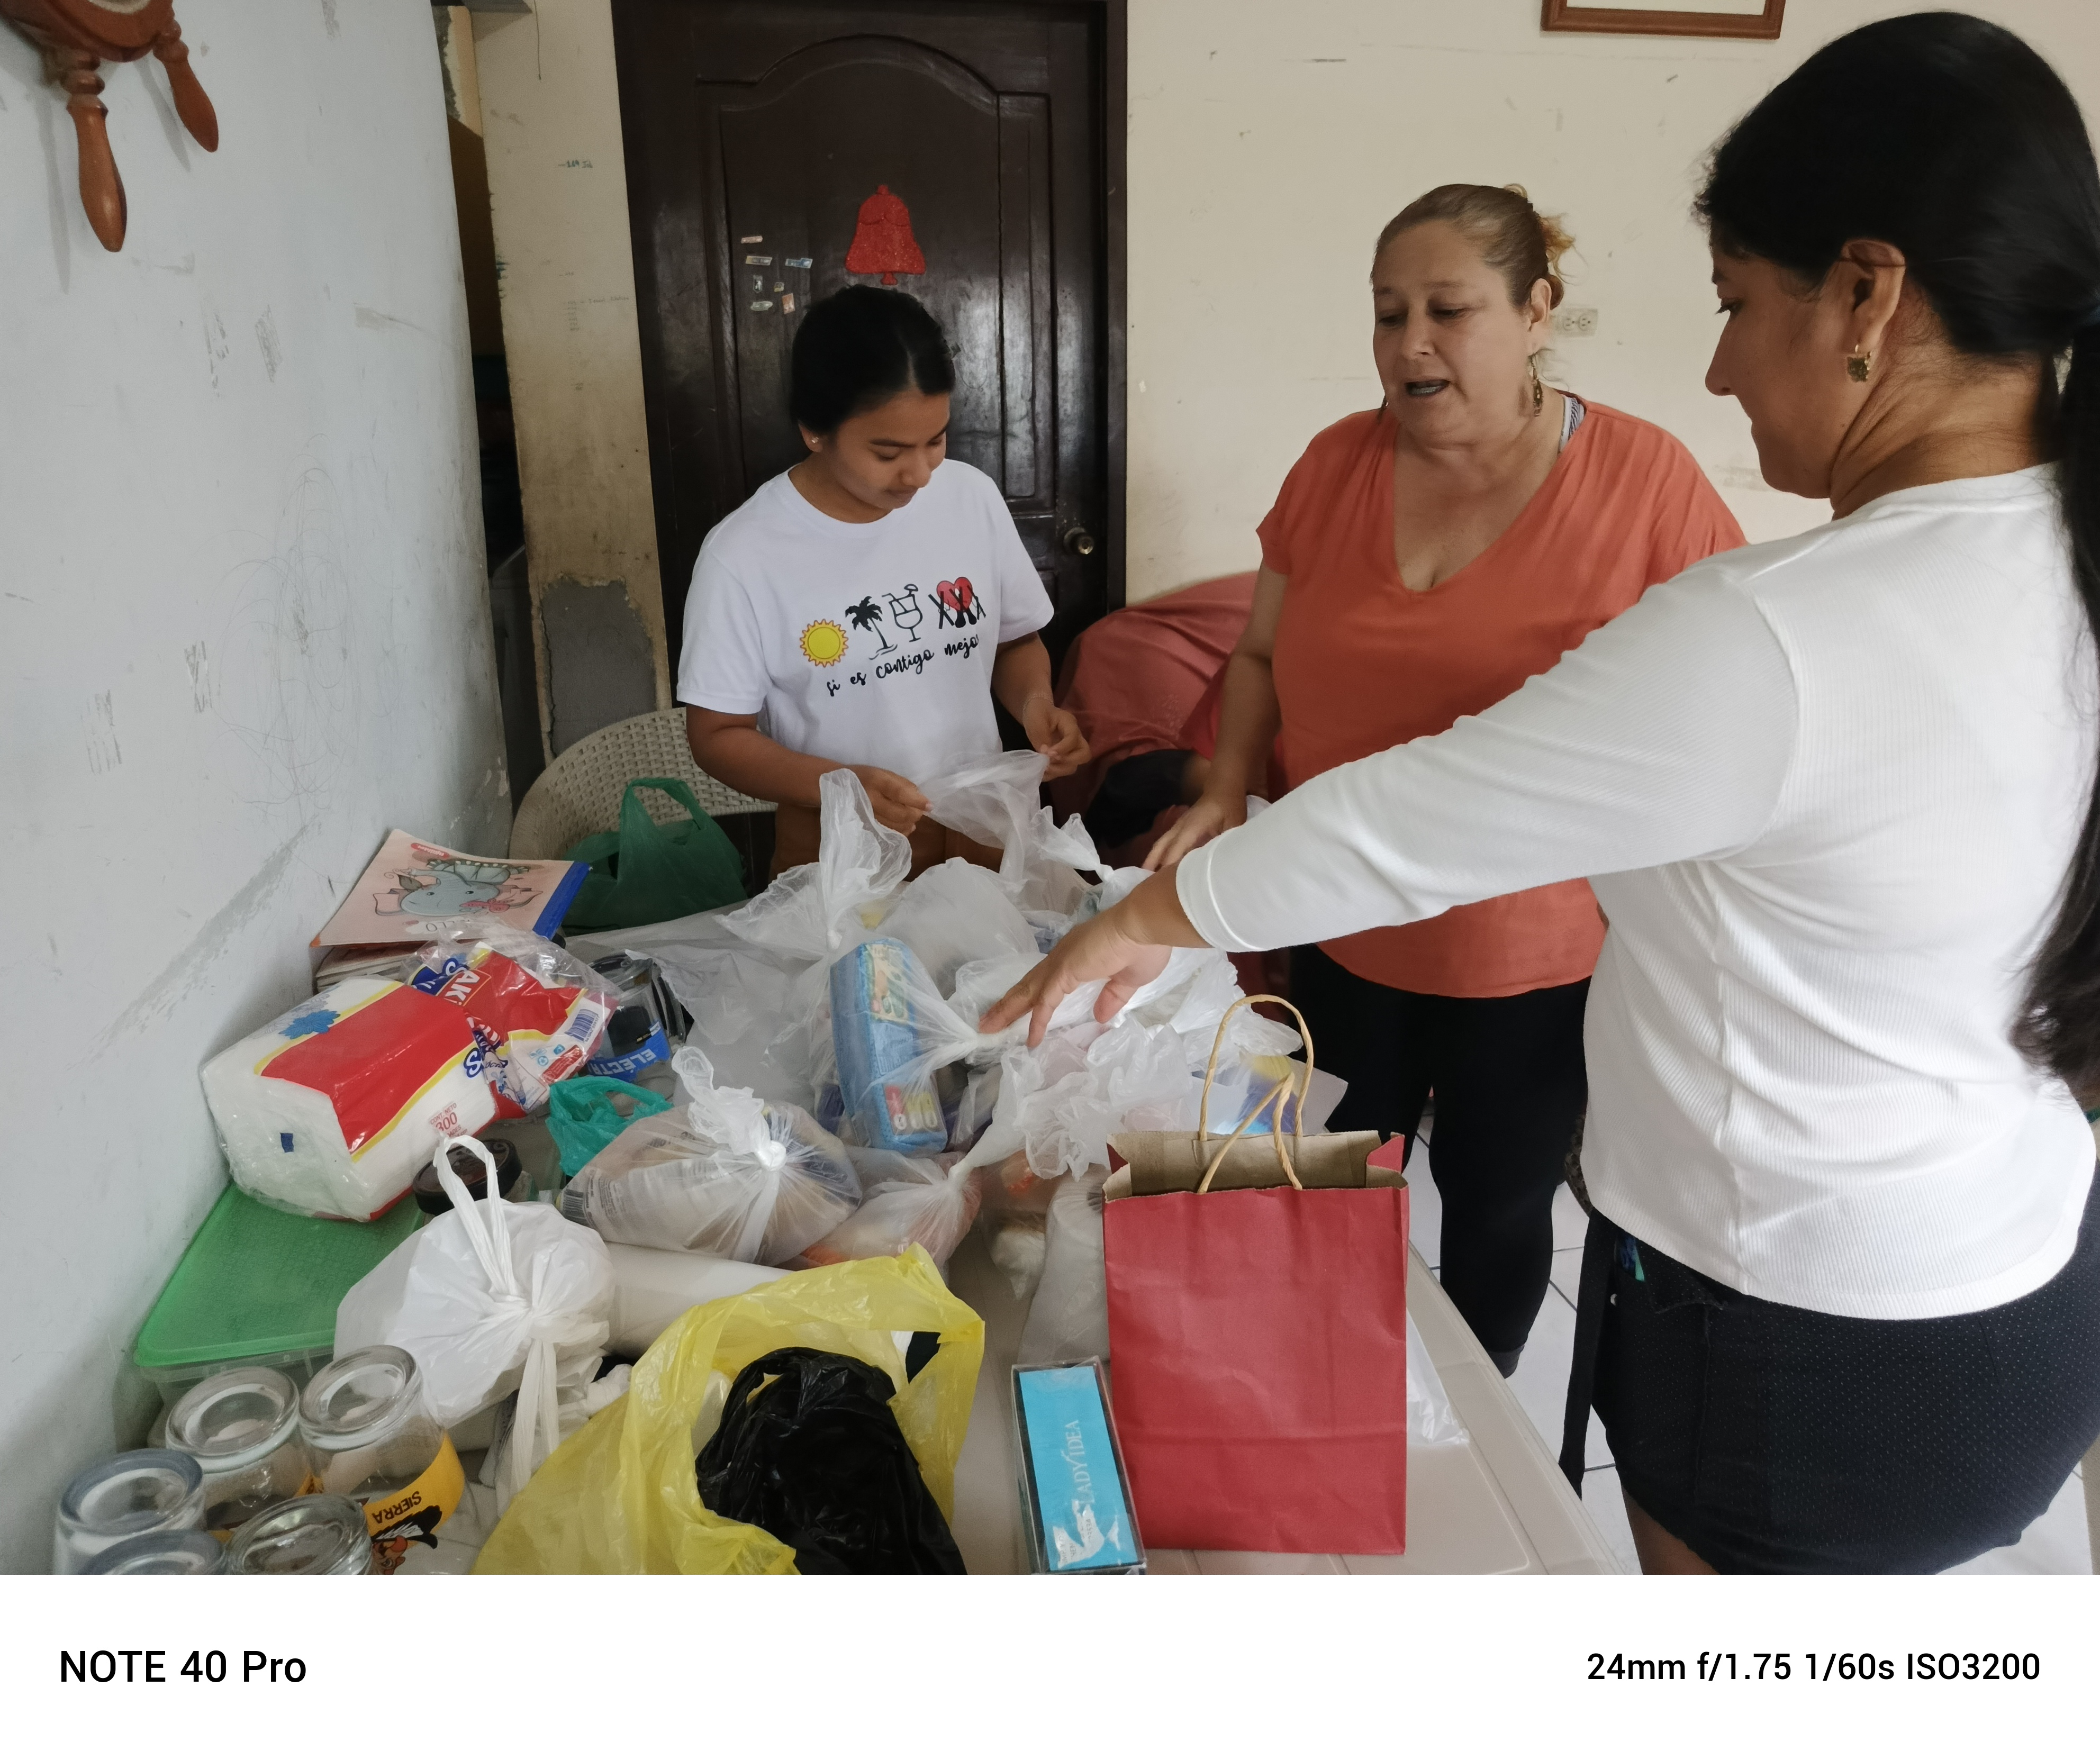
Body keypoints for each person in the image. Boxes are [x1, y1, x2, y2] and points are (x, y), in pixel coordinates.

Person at [989, 12, 2100, 1574]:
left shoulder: (1774, 629)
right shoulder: (2052, 556)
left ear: (1864, 294)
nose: (1716, 366)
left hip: (1794, 1343)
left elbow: (1412, 820)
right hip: (2017, 1285)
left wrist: (1142, 918)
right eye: (1388, 311)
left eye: (1734, 303)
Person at [1145, 185, 1744, 1375]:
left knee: (1495, 1207)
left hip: (1528, 956)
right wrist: (1222, 790)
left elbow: (1716, 699)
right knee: (1323, 1181)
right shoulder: (1334, 463)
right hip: (1333, 917)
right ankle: (1327, 1397)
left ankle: (1472, 1421)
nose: (1409, 343)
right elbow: (1257, 653)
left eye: (1447, 310)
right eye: (1388, 314)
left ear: (1536, 311)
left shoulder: (1644, 480)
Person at [681, 285, 1088, 876]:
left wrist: (1036, 706)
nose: (919, 473)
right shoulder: (743, 554)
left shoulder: (970, 497)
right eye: (888, 451)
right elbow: (717, 734)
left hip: (982, 832)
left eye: (936, 440)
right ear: (814, 430)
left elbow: (1013, 640)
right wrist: (839, 784)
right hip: (844, 855)